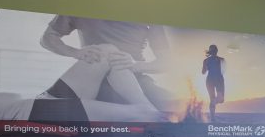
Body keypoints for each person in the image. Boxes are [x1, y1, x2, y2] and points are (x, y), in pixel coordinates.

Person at [38, 15, 174, 115]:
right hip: (94, 77)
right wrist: (76, 52)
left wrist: (135, 65)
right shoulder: (79, 4)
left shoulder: (148, 13)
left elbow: (166, 62)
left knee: (180, 109)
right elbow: (47, 38)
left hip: (136, 77)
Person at [201, 44, 225, 121]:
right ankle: (212, 118)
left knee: (220, 100)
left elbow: (223, 70)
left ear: (216, 51)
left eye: (215, 50)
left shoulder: (221, 59)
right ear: (211, 51)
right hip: (211, 80)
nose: (214, 51)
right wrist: (207, 65)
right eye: (213, 50)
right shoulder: (206, 60)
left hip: (218, 80)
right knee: (212, 99)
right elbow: (203, 72)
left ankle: (212, 106)